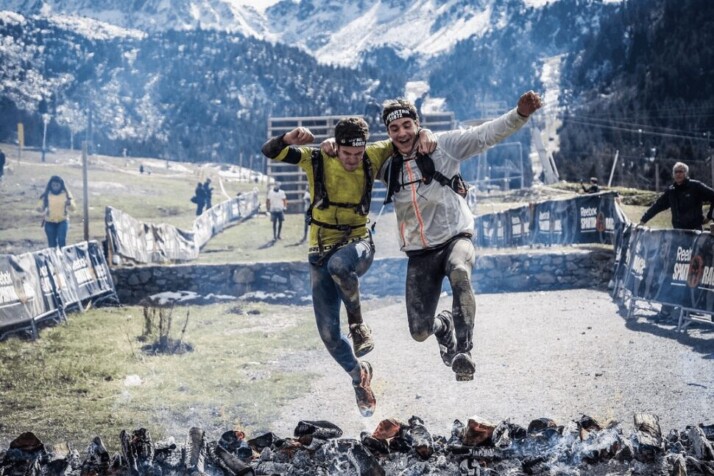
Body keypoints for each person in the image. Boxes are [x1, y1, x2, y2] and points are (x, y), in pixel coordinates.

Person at [261, 118, 434, 417]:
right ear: (336, 147)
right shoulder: (317, 157)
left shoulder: (374, 153)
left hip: (358, 245)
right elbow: (271, 152)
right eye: (346, 154)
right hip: (319, 252)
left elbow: (409, 139)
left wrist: (427, 132)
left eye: (358, 154)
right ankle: (359, 375)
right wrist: (289, 137)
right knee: (328, 335)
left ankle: (358, 326)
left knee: (340, 265)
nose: (353, 160)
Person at [370, 90, 541, 382]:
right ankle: (444, 327)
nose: (402, 133)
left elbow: (482, 136)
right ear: (387, 132)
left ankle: (464, 350)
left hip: (455, 239)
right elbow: (350, 158)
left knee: (460, 272)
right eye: (394, 128)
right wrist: (332, 145)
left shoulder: (444, 146)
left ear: (417, 123)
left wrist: (520, 114)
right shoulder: (387, 164)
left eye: (408, 125)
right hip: (419, 252)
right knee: (420, 331)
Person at [638, 161, 714, 321]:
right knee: (672, 271)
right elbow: (658, 205)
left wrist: (709, 216)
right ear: (673, 174)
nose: (678, 174)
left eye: (681, 171)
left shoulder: (695, 186)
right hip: (677, 238)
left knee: (693, 273)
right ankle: (668, 310)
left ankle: (689, 310)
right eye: (676, 172)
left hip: (695, 239)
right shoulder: (671, 191)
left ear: (686, 173)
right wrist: (644, 220)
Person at [38, 175, 75, 248]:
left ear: (61, 185)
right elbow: (40, 207)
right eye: (53, 185)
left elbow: (73, 208)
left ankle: (63, 257)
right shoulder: (46, 195)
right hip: (49, 222)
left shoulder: (66, 194)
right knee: (52, 244)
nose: (55, 187)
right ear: (50, 185)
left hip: (62, 221)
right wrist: (39, 207)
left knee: (62, 240)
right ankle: (54, 258)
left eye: (57, 185)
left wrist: (70, 204)